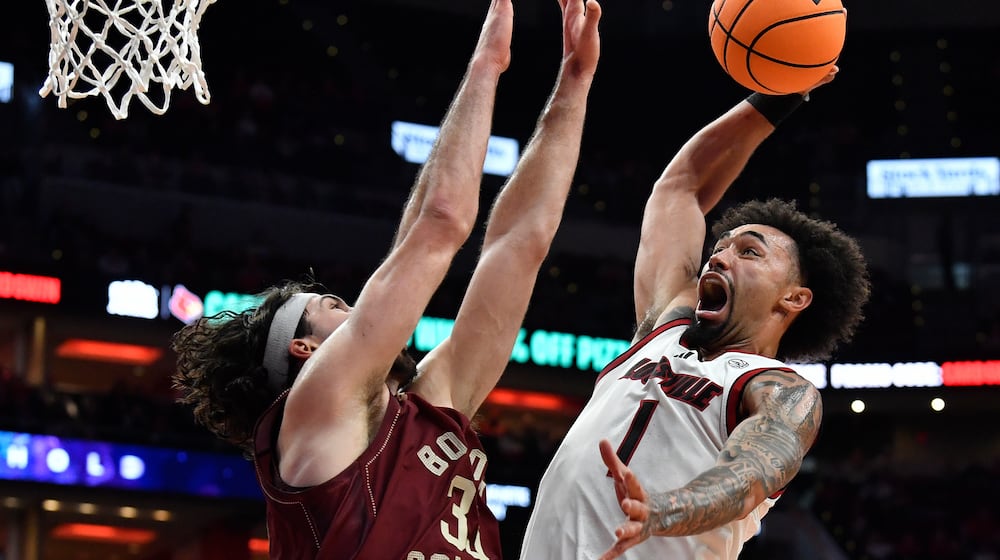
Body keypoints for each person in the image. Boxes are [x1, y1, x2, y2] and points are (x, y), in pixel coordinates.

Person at [170, 0, 601, 558]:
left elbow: (521, 245)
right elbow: (438, 224)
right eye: (331, 305)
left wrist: (574, 82)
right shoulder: (313, 410)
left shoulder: (426, 407)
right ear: (302, 348)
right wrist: (486, 67)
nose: (352, 308)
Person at [519, 74, 871, 560]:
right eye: (720, 247)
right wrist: (779, 96)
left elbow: (748, 475)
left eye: (750, 252)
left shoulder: (780, 390)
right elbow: (678, 189)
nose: (719, 258)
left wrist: (661, 511)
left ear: (794, 298)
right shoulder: (663, 326)